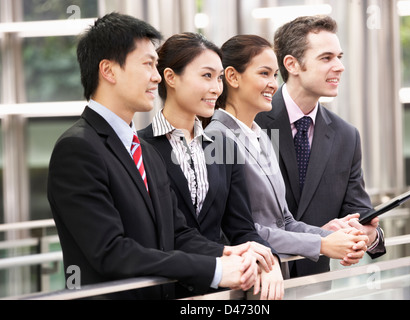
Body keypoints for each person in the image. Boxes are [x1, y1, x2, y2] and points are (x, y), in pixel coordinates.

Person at [47, 13, 259, 300]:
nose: (156, 77)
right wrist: (215, 268)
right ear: (109, 71)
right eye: (147, 64)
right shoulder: (77, 149)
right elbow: (112, 252)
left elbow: (177, 233)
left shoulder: (144, 150)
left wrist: (227, 251)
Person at [205, 34, 369, 276]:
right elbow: (234, 230)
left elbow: (285, 221)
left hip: (278, 276)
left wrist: (337, 237)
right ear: (232, 77)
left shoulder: (260, 136)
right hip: (247, 280)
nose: (273, 83)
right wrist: (322, 244)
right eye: (264, 73)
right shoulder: (216, 138)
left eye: (274, 75)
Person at [138, 32, 284, 300]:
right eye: (206, 76)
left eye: (219, 78)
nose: (217, 88)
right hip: (164, 290)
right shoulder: (140, 148)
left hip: (220, 292)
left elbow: (242, 227)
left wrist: (268, 261)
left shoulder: (224, 146)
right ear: (170, 77)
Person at [255, 15, 386, 278]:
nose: (339, 66)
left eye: (340, 56)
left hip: (315, 285)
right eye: (326, 58)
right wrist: (319, 238)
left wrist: (366, 234)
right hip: (258, 281)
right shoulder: (251, 121)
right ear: (291, 64)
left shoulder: (346, 136)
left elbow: (359, 214)